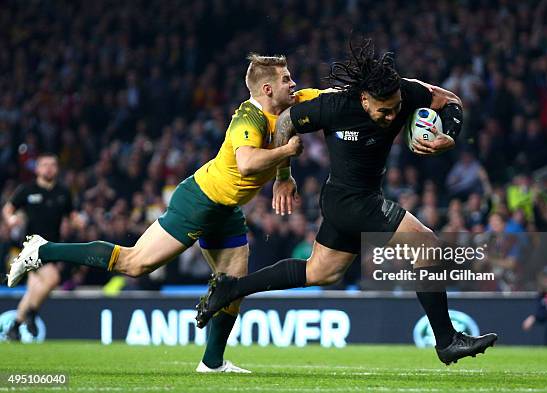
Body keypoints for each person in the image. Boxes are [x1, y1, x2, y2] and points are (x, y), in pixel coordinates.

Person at [7, 54, 322, 373]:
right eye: (286, 79)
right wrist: (287, 153)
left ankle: (212, 363)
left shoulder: (287, 107)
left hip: (226, 210)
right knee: (134, 263)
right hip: (199, 200)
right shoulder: (248, 117)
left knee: (232, 285)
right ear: (267, 89)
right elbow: (248, 162)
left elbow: (329, 100)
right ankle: (41, 249)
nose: (293, 84)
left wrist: (284, 176)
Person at [196, 39, 498, 365]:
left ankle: (231, 289)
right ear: (365, 100)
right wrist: (283, 177)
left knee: (319, 272)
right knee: (426, 245)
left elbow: (449, 100)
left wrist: (449, 135)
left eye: (396, 108)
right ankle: (446, 340)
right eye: (384, 111)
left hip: (362, 197)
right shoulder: (336, 106)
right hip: (347, 200)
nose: (392, 116)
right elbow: (284, 123)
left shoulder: (406, 92)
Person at [2, 154, 78, 341]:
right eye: (44, 165)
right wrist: (11, 219)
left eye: (52, 164)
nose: (49, 168)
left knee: (34, 289)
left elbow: (71, 215)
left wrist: (80, 222)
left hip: (53, 247)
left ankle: (15, 327)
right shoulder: (27, 190)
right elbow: (8, 209)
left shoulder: (63, 192)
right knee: (53, 278)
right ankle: (32, 314)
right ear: (37, 169)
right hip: (31, 246)